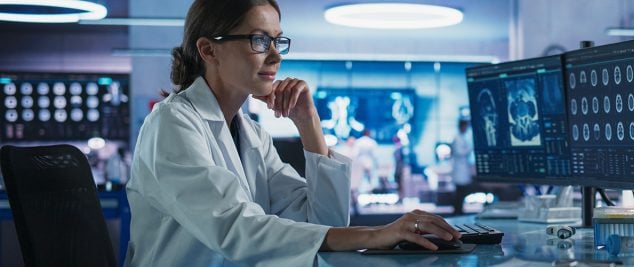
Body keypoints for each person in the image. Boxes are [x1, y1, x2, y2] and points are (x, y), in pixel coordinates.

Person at [126, 0, 459, 266]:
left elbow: (323, 222)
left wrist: (308, 123)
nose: (275, 56)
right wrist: (374, 235)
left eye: (277, 41)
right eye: (259, 40)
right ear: (209, 50)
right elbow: (236, 230)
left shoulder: (253, 135)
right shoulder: (171, 123)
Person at [451, 119, 480, 215]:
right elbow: (459, 152)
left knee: (462, 193)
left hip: (463, 169)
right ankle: (457, 211)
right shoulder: (457, 138)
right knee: (459, 193)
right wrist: (470, 148)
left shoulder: (463, 138)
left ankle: (459, 210)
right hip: (459, 170)